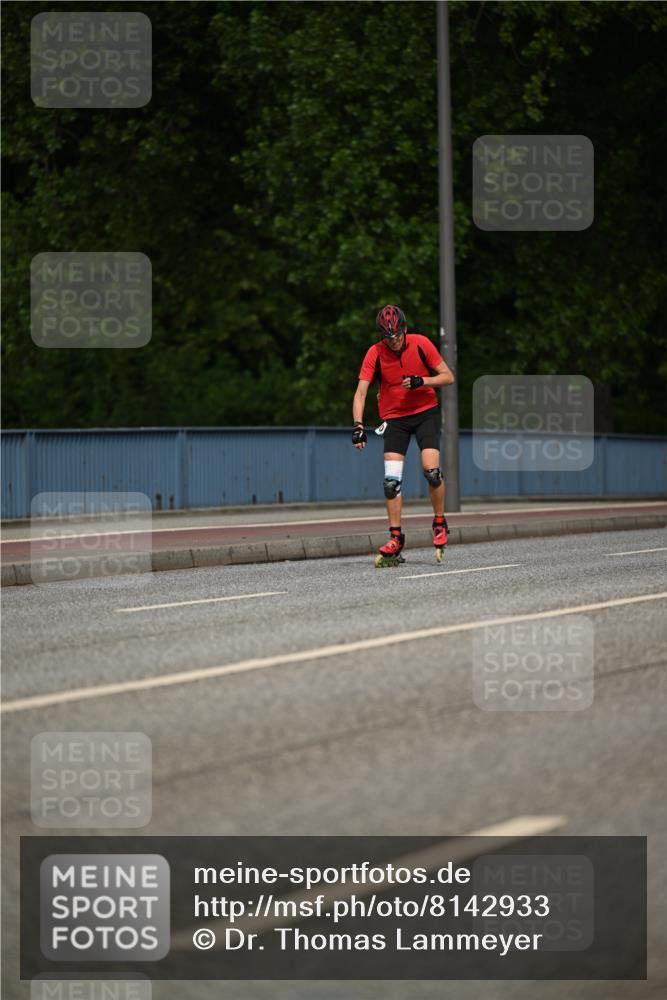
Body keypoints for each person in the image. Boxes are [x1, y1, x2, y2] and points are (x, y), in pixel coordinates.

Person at [351, 304, 455, 564]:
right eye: (388, 337)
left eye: (397, 335)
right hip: (395, 419)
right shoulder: (374, 353)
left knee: (432, 473)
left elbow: (448, 377)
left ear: (405, 329)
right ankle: (396, 537)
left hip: (425, 414)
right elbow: (361, 392)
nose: (394, 341)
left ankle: (439, 522)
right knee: (390, 483)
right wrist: (358, 426)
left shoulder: (420, 343)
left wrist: (423, 381)